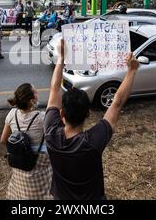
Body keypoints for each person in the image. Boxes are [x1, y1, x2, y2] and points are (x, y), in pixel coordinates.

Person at [44, 41, 139, 200]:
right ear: (88, 114)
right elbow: (116, 103)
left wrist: (61, 58)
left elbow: (54, 89)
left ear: (61, 114)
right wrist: (132, 70)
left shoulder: (50, 133)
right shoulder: (92, 142)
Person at [0, 83, 52, 200]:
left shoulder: (12, 114)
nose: (37, 94)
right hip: (40, 163)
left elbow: (3, 140)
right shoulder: (42, 117)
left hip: (20, 163)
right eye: (36, 92)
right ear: (32, 100)